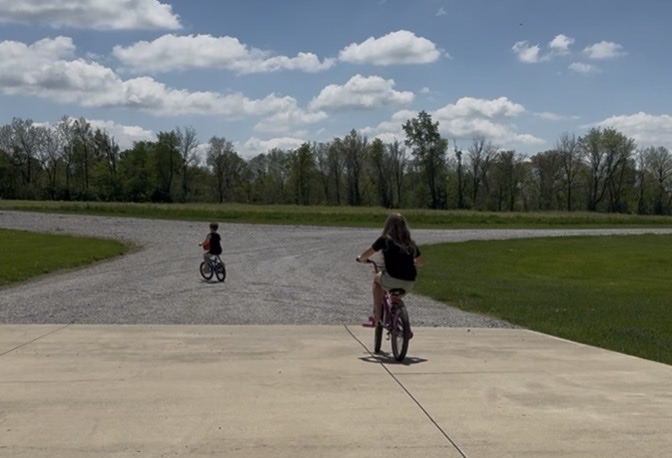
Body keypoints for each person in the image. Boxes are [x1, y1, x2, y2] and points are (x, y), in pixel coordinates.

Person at [356, 213, 424, 331]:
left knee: (377, 281)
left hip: (391, 279)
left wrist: (361, 258)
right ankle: (405, 327)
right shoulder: (410, 243)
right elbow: (421, 262)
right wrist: (414, 262)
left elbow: (368, 253)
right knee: (396, 297)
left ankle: (377, 315)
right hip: (409, 282)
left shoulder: (385, 240)